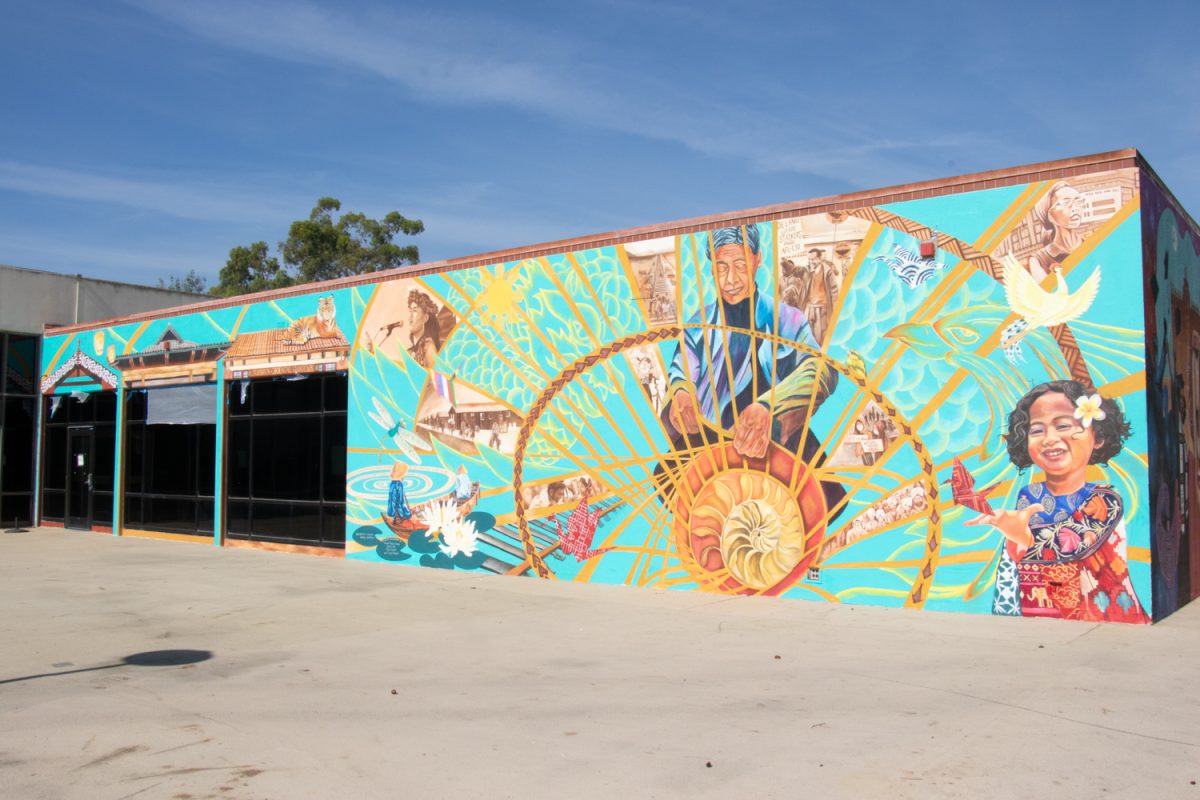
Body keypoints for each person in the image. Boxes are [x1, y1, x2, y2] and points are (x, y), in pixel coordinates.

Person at [663, 223, 843, 512]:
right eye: (721, 267)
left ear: (757, 258)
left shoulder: (786, 319)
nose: (731, 279)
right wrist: (682, 391)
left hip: (775, 455)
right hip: (713, 456)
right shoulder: (700, 324)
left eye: (739, 264)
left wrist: (769, 406)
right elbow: (681, 366)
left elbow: (822, 371)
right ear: (710, 269)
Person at [967, 380, 1147, 622]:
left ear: (1098, 437)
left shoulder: (1105, 498)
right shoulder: (1029, 496)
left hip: (1105, 618)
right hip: (1038, 617)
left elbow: (1072, 544)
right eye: (1037, 430)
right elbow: (1010, 575)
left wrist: (1022, 537)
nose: (1049, 439)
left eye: (1063, 426)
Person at [1027, 181, 1092, 282]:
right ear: (1050, 216)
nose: (1075, 208)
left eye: (1078, 201)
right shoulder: (1038, 260)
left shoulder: (1091, 246)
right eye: (1066, 203)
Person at [407, 289, 442, 368]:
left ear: (425, 318)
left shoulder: (429, 348)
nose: (410, 316)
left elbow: (435, 378)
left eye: (415, 311)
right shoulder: (409, 352)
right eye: (410, 311)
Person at [385, 461, 413, 527]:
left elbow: (391, 500)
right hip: (400, 515)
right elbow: (401, 502)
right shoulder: (399, 484)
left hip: (395, 514)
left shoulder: (392, 483)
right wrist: (409, 515)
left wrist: (390, 514)